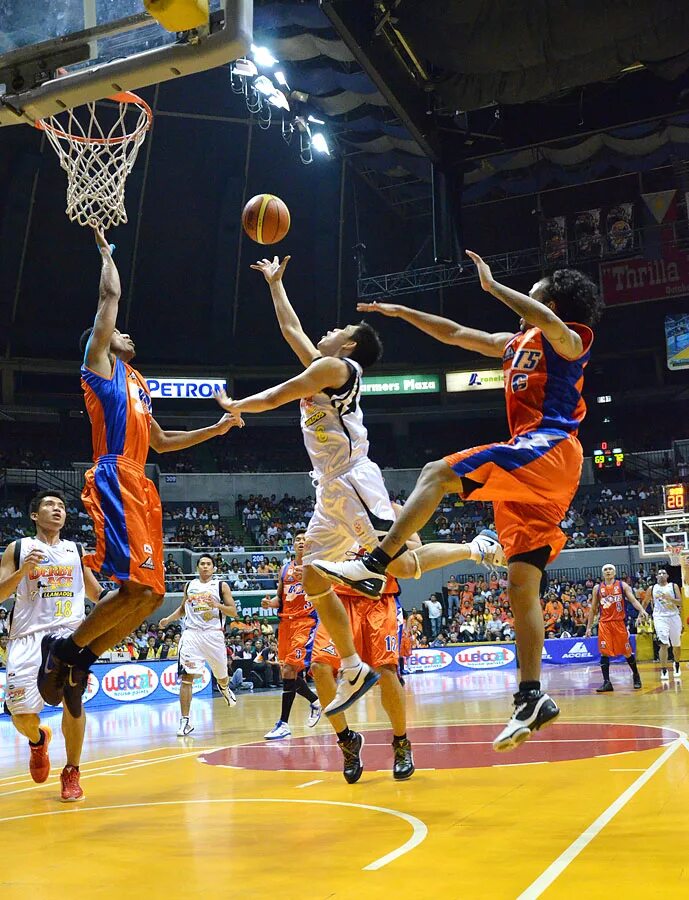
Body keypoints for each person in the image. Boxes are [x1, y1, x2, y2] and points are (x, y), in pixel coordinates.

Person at [313, 252, 605, 750]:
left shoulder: (568, 338)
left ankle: (377, 561)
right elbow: (453, 333)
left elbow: (550, 322)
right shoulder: (515, 343)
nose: (524, 301)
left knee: (437, 474)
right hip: (535, 468)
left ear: (550, 299)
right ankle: (532, 696)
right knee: (521, 582)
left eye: (532, 293)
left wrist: (491, 287)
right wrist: (403, 314)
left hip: (550, 447)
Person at [215, 254, 500, 718]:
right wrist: (274, 284)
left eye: (337, 329)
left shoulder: (339, 371)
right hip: (329, 489)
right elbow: (292, 332)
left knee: (403, 567)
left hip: (352, 479)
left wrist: (236, 404)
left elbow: (278, 395)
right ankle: (352, 666)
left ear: (348, 345)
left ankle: (475, 547)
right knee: (311, 574)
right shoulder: (324, 369)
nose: (326, 331)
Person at [37, 224, 241, 717]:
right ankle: (63, 649)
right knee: (133, 587)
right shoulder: (99, 366)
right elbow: (109, 296)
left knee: (152, 595)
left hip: (142, 482)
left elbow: (163, 442)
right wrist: (107, 255)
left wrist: (216, 430)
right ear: (103, 343)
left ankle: (84, 657)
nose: (127, 335)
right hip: (114, 474)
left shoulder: (139, 384)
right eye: (117, 333)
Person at [0, 491, 103, 801]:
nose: (57, 510)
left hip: (69, 635)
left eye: (61, 506)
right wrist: (22, 573)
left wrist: (131, 596)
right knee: (22, 716)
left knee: (74, 700)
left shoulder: (76, 550)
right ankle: (37, 741)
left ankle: (72, 771)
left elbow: (97, 595)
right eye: (49, 505)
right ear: (34, 515)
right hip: (27, 638)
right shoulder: (18, 548)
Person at [159, 554, 238, 736]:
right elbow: (182, 609)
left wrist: (217, 605)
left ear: (214, 568)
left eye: (208, 564)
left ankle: (224, 687)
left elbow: (233, 612)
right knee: (187, 678)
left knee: (222, 676)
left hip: (213, 636)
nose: (205, 566)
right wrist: (168, 619)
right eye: (202, 564)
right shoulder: (190, 585)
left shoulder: (221, 586)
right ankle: (185, 721)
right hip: (191, 635)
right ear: (197, 568)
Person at [261, 532, 323, 740]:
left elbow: (324, 592)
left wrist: (306, 580)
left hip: (306, 620)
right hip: (286, 622)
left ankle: (283, 723)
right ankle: (315, 702)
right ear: (293, 545)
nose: (301, 542)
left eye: (305, 539)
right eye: (298, 539)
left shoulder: (316, 566)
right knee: (286, 673)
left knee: (290, 669)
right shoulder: (285, 569)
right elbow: (281, 598)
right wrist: (270, 604)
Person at [586, 564, 648, 692]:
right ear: (603, 574)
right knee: (604, 652)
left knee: (626, 652)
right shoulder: (597, 588)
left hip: (619, 623)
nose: (608, 571)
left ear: (614, 573)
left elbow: (633, 600)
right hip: (604, 624)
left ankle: (636, 676)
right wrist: (588, 627)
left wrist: (642, 610)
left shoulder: (622, 585)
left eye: (610, 569)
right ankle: (607, 682)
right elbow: (593, 609)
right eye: (605, 570)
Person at [644, 568, 682, 681]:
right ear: (656, 577)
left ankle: (677, 663)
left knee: (676, 644)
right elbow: (645, 602)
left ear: (667, 576)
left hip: (674, 616)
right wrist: (642, 613)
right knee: (663, 643)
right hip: (660, 617)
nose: (661, 575)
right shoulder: (652, 588)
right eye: (659, 573)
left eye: (663, 573)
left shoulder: (673, 586)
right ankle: (664, 669)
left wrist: (670, 599)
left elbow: (681, 603)